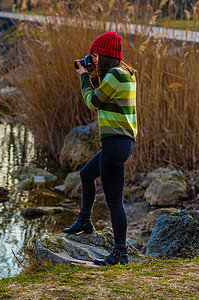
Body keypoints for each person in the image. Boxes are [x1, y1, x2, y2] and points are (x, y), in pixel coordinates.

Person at [64, 32, 137, 266]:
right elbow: (104, 96)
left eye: (95, 55)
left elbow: (93, 102)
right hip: (119, 142)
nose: (93, 59)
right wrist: (93, 72)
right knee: (86, 175)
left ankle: (120, 253)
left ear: (105, 54)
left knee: (114, 201)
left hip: (115, 143)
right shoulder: (123, 74)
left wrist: (84, 77)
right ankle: (85, 220)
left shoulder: (116, 74)